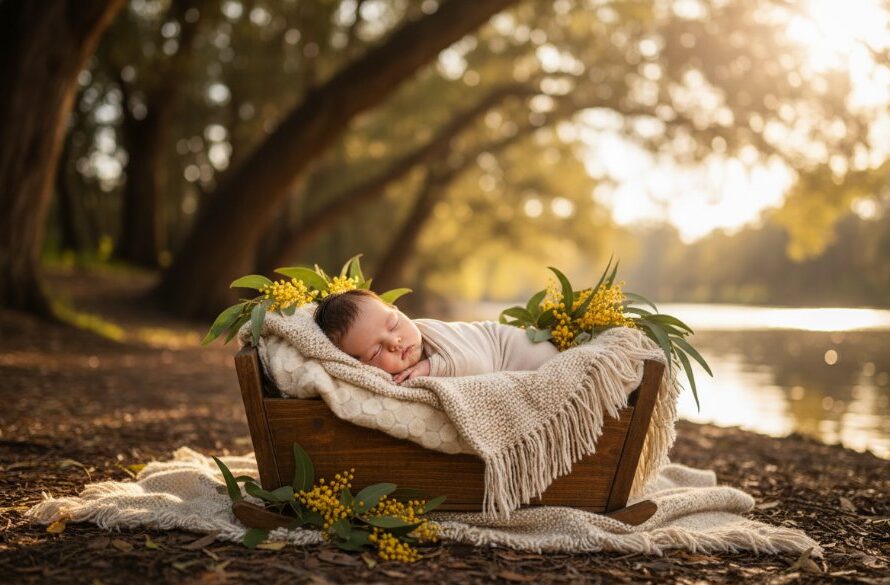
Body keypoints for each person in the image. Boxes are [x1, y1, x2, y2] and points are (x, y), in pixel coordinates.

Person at [313, 289, 558, 384]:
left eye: (393, 324)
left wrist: (429, 367)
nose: (394, 342)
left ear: (398, 311)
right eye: (375, 352)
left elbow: (478, 364)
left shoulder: (432, 333)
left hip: (525, 353)